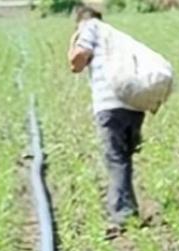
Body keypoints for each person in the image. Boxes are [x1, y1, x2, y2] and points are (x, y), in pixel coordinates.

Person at [68, 5, 145, 236]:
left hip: (110, 104)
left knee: (115, 159)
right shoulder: (114, 36)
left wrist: (73, 42)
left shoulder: (89, 29)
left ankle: (122, 215)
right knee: (124, 158)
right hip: (134, 103)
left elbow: (77, 62)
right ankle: (129, 209)